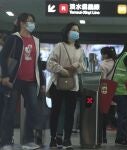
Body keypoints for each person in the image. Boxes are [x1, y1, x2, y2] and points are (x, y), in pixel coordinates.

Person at [0, 13, 45, 150]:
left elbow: (37, 63)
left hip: (31, 81)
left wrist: (42, 82)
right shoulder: (13, 38)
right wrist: (6, 75)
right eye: (29, 21)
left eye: (33, 21)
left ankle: (28, 140)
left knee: (32, 109)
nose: (31, 24)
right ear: (21, 23)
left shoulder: (36, 40)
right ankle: (6, 142)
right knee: (10, 111)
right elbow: (3, 57)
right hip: (14, 80)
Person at [46, 22, 86, 149]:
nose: (76, 32)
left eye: (78, 31)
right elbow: (49, 63)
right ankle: (53, 138)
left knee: (70, 112)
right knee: (56, 112)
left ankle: (67, 139)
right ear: (67, 31)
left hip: (73, 85)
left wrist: (77, 66)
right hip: (58, 83)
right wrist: (62, 70)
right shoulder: (60, 46)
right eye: (73, 30)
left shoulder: (80, 49)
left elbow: (83, 68)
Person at [99, 46, 117, 143]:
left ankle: (104, 137)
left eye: (102, 54)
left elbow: (103, 80)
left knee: (103, 116)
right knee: (112, 115)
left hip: (106, 92)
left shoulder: (102, 65)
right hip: (115, 91)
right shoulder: (115, 63)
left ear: (105, 55)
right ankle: (121, 136)